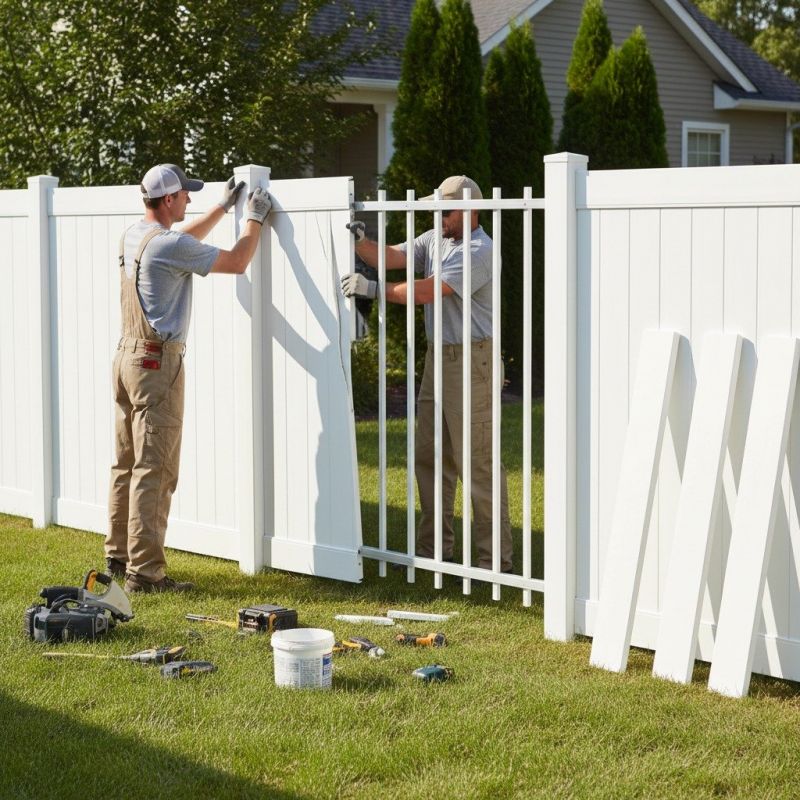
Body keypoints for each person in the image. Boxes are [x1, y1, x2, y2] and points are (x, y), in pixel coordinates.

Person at [105, 164, 272, 593]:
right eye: (184, 195)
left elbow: (181, 241)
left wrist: (221, 207)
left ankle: (119, 556)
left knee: (126, 463)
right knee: (155, 469)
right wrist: (254, 219)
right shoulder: (170, 244)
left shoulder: (135, 235)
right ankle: (145, 574)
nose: (189, 199)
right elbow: (237, 261)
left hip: (126, 358)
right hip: (157, 366)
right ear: (168, 200)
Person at [341, 175, 513, 572]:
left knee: (477, 462)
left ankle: (494, 562)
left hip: (472, 360)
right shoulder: (437, 239)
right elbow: (391, 256)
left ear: (470, 211)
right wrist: (360, 243)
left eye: (445, 211)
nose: (438, 217)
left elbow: (427, 291)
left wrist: (373, 289)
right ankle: (434, 550)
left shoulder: (478, 251)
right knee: (431, 455)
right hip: (439, 357)